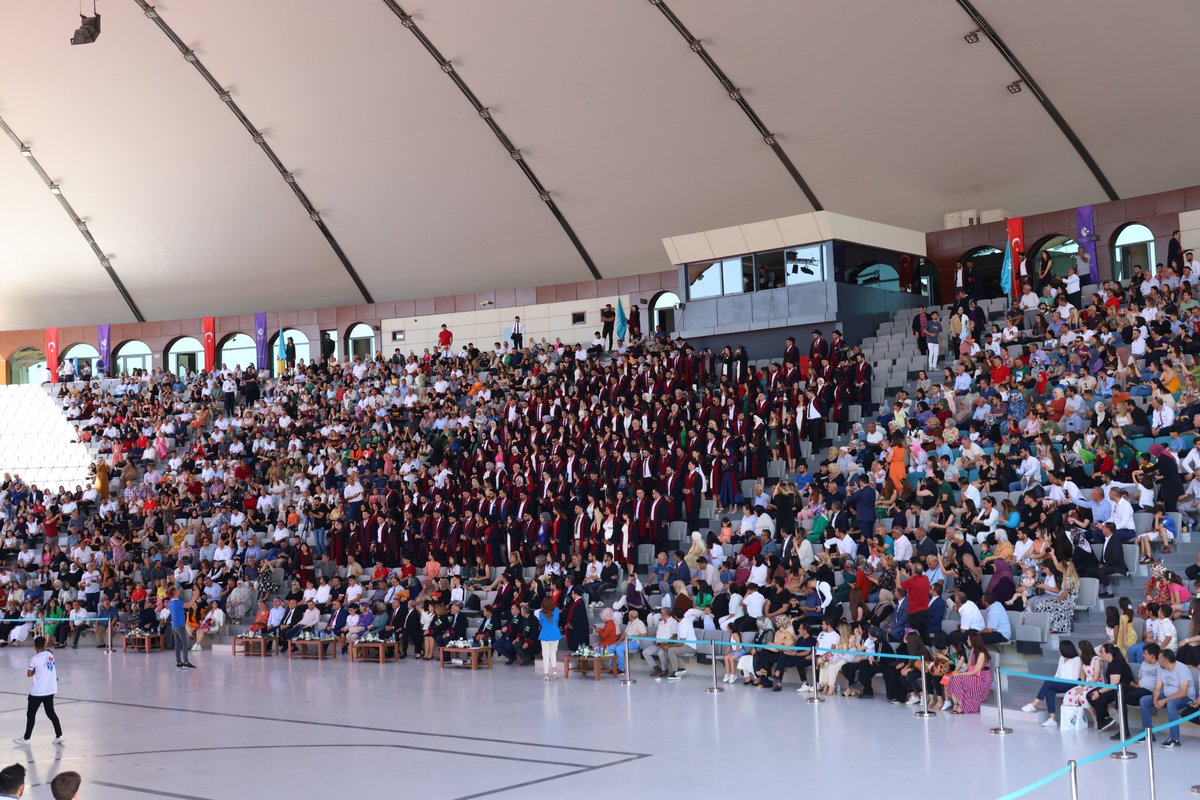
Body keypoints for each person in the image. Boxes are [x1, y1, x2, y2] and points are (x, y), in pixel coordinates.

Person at [12, 636, 64, 745]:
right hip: (50, 689)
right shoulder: (50, 655)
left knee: (31, 714)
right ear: (44, 644)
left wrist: (36, 671)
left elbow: (29, 674)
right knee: (50, 713)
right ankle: (59, 735)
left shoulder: (34, 659)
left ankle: (26, 739)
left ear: (35, 646)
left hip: (38, 692)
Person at [1139, 647, 1194, 747]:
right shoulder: (1161, 668)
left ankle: (1174, 739)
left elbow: (1183, 692)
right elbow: (1157, 687)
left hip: (1186, 698)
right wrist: (1155, 700)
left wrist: (1164, 701)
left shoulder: (1182, 669)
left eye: (1159, 659)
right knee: (1144, 700)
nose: (1158, 661)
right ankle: (1148, 733)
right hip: (1167, 696)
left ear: (1164, 661)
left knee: (1171, 704)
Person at [535, 596, 561, 681]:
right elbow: (557, 621)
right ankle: (555, 670)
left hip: (545, 635)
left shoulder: (541, 613)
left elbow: (541, 623)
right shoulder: (556, 610)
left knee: (545, 655)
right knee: (553, 654)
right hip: (555, 634)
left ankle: (546, 674)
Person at [168, 588, 195, 670]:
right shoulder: (177, 602)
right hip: (180, 625)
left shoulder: (170, 602)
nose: (178, 591)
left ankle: (179, 662)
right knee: (185, 643)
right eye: (177, 590)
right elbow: (188, 605)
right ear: (175, 593)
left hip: (174, 625)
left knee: (178, 644)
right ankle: (186, 662)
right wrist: (194, 596)